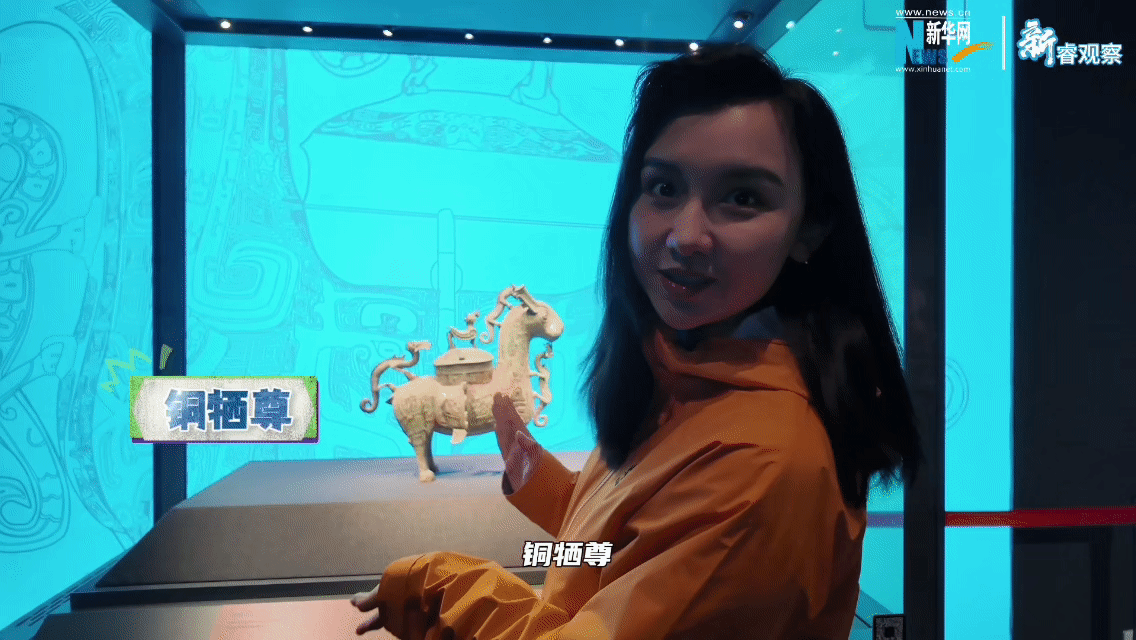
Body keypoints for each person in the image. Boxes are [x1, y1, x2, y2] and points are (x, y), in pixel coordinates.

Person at [352, 42, 923, 639]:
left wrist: (440, 587)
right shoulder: (686, 378)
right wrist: (547, 489)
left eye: (743, 198)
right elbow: (621, 554)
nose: (686, 236)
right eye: (664, 187)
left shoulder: (763, 464)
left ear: (810, 229)